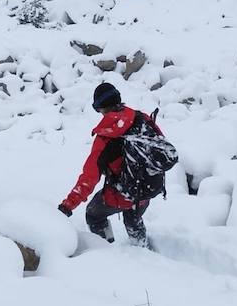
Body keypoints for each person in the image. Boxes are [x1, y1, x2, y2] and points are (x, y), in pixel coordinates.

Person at [57, 82, 166, 248]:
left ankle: (108, 252)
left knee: (94, 214)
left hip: (123, 194)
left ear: (101, 107)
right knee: (133, 217)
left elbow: (89, 178)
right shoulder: (142, 118)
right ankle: (142, 247)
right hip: (149, 186)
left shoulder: (106, 136)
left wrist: (68, 205)